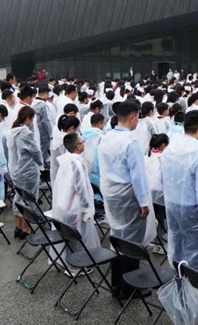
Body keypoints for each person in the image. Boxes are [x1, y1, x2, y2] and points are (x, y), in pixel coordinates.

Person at [98, 99, 156, 299]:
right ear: (132, 117)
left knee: (117, 237)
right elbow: (138, 176)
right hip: (128, 195)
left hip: (111, 193)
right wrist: (143, 202)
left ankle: (117, 284)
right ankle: (130, 287)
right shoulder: (130, 142)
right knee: (132, 242)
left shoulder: (106, 137)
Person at [160, 110, 198, 273]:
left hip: (172, 205)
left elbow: (163, 178)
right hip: (193, 211)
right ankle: (194, 294)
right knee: (196, 258)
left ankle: (181, 290)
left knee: (179, 250)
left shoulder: (171, 148)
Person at [54, 133, 98, 274]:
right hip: (75, 208)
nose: (84, 143)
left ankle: (71, 264)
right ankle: (77, 267)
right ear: (79, 146)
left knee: (70, 237)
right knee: (78, 237)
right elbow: (82, 188)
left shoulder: (66, 161)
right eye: (83, 141)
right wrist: (87, 209)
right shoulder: (77, 163)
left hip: (64, 205)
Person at [5, 106, 43, 239]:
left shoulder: (12, 131)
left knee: (18, 197)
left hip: (15, 170)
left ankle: (18, 227)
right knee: (29, 200)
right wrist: (41, 164)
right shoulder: (26, 133)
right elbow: (36, 152)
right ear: (28, 118)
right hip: (27, 171)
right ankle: (26, 229)